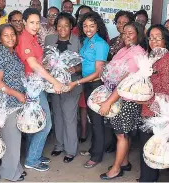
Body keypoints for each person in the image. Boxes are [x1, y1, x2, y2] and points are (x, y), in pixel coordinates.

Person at [15, 8, 66, 172]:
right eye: (32, 22)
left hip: (37, 84)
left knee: (34, 121)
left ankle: (33, 154)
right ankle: (32, 159)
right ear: (24, 22)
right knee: (45, 123)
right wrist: (54, 81)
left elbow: (39, 62)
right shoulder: (24, 39)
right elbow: (33, 65)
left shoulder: (33, 38)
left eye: (38, 22)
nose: (36, 26)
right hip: (31, 86)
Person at [99, 22, 147, 180]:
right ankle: (124, 162)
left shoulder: (138, 53)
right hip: (117, 96)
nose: (127, 36)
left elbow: (125, 82)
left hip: (126, 100)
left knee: (121, 135)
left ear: (138, 35)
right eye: (125, 32)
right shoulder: (124, 49)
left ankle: (116, 168)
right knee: (121, 133)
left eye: (131, 33)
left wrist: (108, 102)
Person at [136, 24, 169, 182]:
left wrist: (143, 97)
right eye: (151, 37)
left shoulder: (167, 60)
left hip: (157, 114)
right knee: (146, 149)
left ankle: (148, 179)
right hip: (147, 109)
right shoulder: (152, 56)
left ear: (165, 40)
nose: (153, 41)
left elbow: (167, 93)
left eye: (157, 37)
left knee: (151, 150)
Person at [67, 11, 110, 169]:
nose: (88, 29)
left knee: (97, 122)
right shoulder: (86, 41)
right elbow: (85, 64)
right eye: (85, 26)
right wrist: (74, 69)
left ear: (97, 26)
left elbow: (98, 71)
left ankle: (97, 156)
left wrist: (76, 82)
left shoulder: (100, 44)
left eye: (92, 26)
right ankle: (94, 149)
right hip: (87, 83)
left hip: (96, 85)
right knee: (93, 119)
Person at [45, 12, 82, 163]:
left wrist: (75, 69)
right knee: (57, 115)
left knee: (69, 116)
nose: (62, 29)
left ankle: (70, 150)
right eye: (59, 26)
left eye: (66, 26)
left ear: (71, 27)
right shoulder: (49, 39)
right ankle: (59, 145)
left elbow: (84, 64)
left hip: (71, 85)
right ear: (55, 27)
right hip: (53, 84)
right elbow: (44, 60)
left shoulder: (77, 41)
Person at [0, 24, 27, 182]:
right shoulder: (0, 55)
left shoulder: (13, 53)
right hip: (7, 103)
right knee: (11, 139)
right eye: (6, 35)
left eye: (12, 34)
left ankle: (15, 168)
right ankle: (9, 173)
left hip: (17, 101)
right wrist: (17, 94)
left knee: (15, 138)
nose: (11, 37)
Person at [72, 5, 93, 143]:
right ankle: (80, 132)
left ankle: (86, 132)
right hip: (73, 74)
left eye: (87, 16)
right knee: (77, 107)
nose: (83, 19)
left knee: (87, 105)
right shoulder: (73, 31)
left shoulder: (96, 35)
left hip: (90, 75)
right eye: (81, 16)